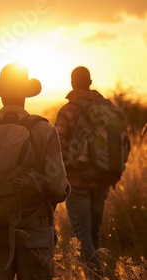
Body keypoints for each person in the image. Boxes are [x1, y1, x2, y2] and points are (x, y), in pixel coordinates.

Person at [0, 63, 70, 279]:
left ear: (0, 95)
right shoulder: (44, 130)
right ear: (26, 95)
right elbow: (58, 190)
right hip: (34, 232)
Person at [55, 66, 130, 278]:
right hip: (104, 179)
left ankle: (97, 276)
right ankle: (96, 273)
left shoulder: (68, 110)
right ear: (90, 81)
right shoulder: (109, 108)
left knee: (81, 237)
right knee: (94, 236)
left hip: (78, 183)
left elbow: (57, 147)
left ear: (72, 83)